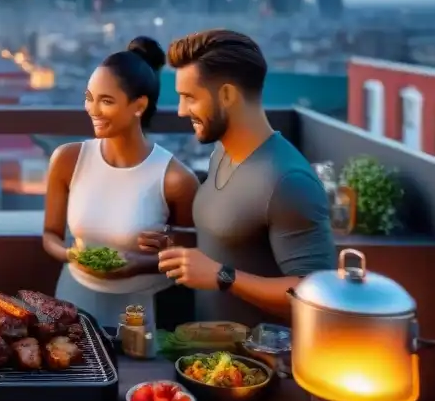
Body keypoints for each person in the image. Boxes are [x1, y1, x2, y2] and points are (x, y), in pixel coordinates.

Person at [141, 29, 336, 328]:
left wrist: (223, 276)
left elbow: (318, 297)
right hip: (208, 358)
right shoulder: (222, 151)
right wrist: (178, 247)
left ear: (228, 95)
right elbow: (235, 238)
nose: (181, 111)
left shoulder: (287, 181)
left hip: (259, 367)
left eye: (189, 98)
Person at [42, 37, 199, 329]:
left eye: (106, 101)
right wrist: (71, 255)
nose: (93, 110)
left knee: (139, 374)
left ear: (138, 105)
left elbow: (191, 257)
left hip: (141, 310)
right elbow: (50, 236)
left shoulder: (176, 179)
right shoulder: (67, 160)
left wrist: (140, 264)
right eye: (89, 97)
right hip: (73, 300)